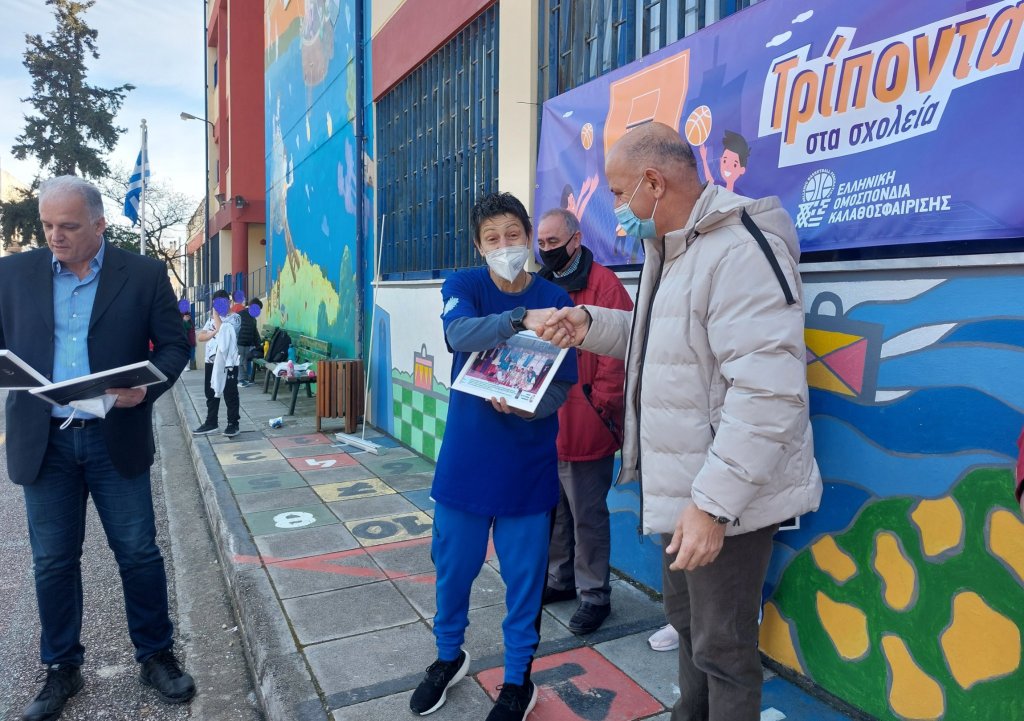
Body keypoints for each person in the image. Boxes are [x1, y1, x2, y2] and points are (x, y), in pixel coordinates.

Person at [540, 122, 822, 721]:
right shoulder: (675, 248)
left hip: (725, 501)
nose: (617, 208)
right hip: (685, 491)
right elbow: (667, 342)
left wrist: (713, 506)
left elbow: (768, 394)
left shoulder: (739, 250)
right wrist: (590, 324)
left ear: (653, 182)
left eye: (619, 193)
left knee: (723, 649)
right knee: (690, 629)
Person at [0, 175, 194, 721]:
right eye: (47, 225)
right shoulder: (12, 274)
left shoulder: (144, 274)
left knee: (137, 552)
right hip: (45, 442)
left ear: (99, 225)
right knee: (52, 561)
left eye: (67, 225)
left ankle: (155, 656)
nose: (54, 236)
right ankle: (62, 667)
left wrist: (146, 389)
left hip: (115, 438)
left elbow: (176, 346)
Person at [409, 192, 577, 721]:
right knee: (452, 570)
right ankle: (447, 657)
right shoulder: (465, 286)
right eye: (492, 238)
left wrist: (529, 408)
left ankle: (518, 680)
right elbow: (458, 333)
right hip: (465, 463)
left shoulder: (557, 297)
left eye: (513, 234)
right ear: (479, 246)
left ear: (528, 237)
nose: (505, 246)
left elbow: (562, 383)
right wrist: (521, 318)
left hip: (526, 467)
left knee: (524, 583)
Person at [535, 208, 632, 635]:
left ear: (576, 240)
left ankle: (594, 595)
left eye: (553, 243)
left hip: (587, 420)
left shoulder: (605, 286)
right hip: (548, 420)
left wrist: (600, 408)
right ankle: (560, 579)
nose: (546, 251)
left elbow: (619, 356)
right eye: (541, 244)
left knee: (588, 515)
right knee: (555, 510)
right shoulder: (541, 286)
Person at [192, 289, 241, 437]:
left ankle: (233, 424)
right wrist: (213, 332)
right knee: (211, 392)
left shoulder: (235, 318)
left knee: (230, 392)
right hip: (211, 361)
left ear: (229, 302)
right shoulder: (211, 319)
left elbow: (222, 330)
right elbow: (201, 337)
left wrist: (215, 315)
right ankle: (211, 422)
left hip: (228, 362)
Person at [236, 297, 262, 386]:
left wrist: (259, 344)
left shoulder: (252, 318)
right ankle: (240, 380)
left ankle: (245, 378)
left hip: (247, 343)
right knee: (241, 361)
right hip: (240, 343)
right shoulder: (240, 315)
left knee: (245, 360)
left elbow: (255, 332)